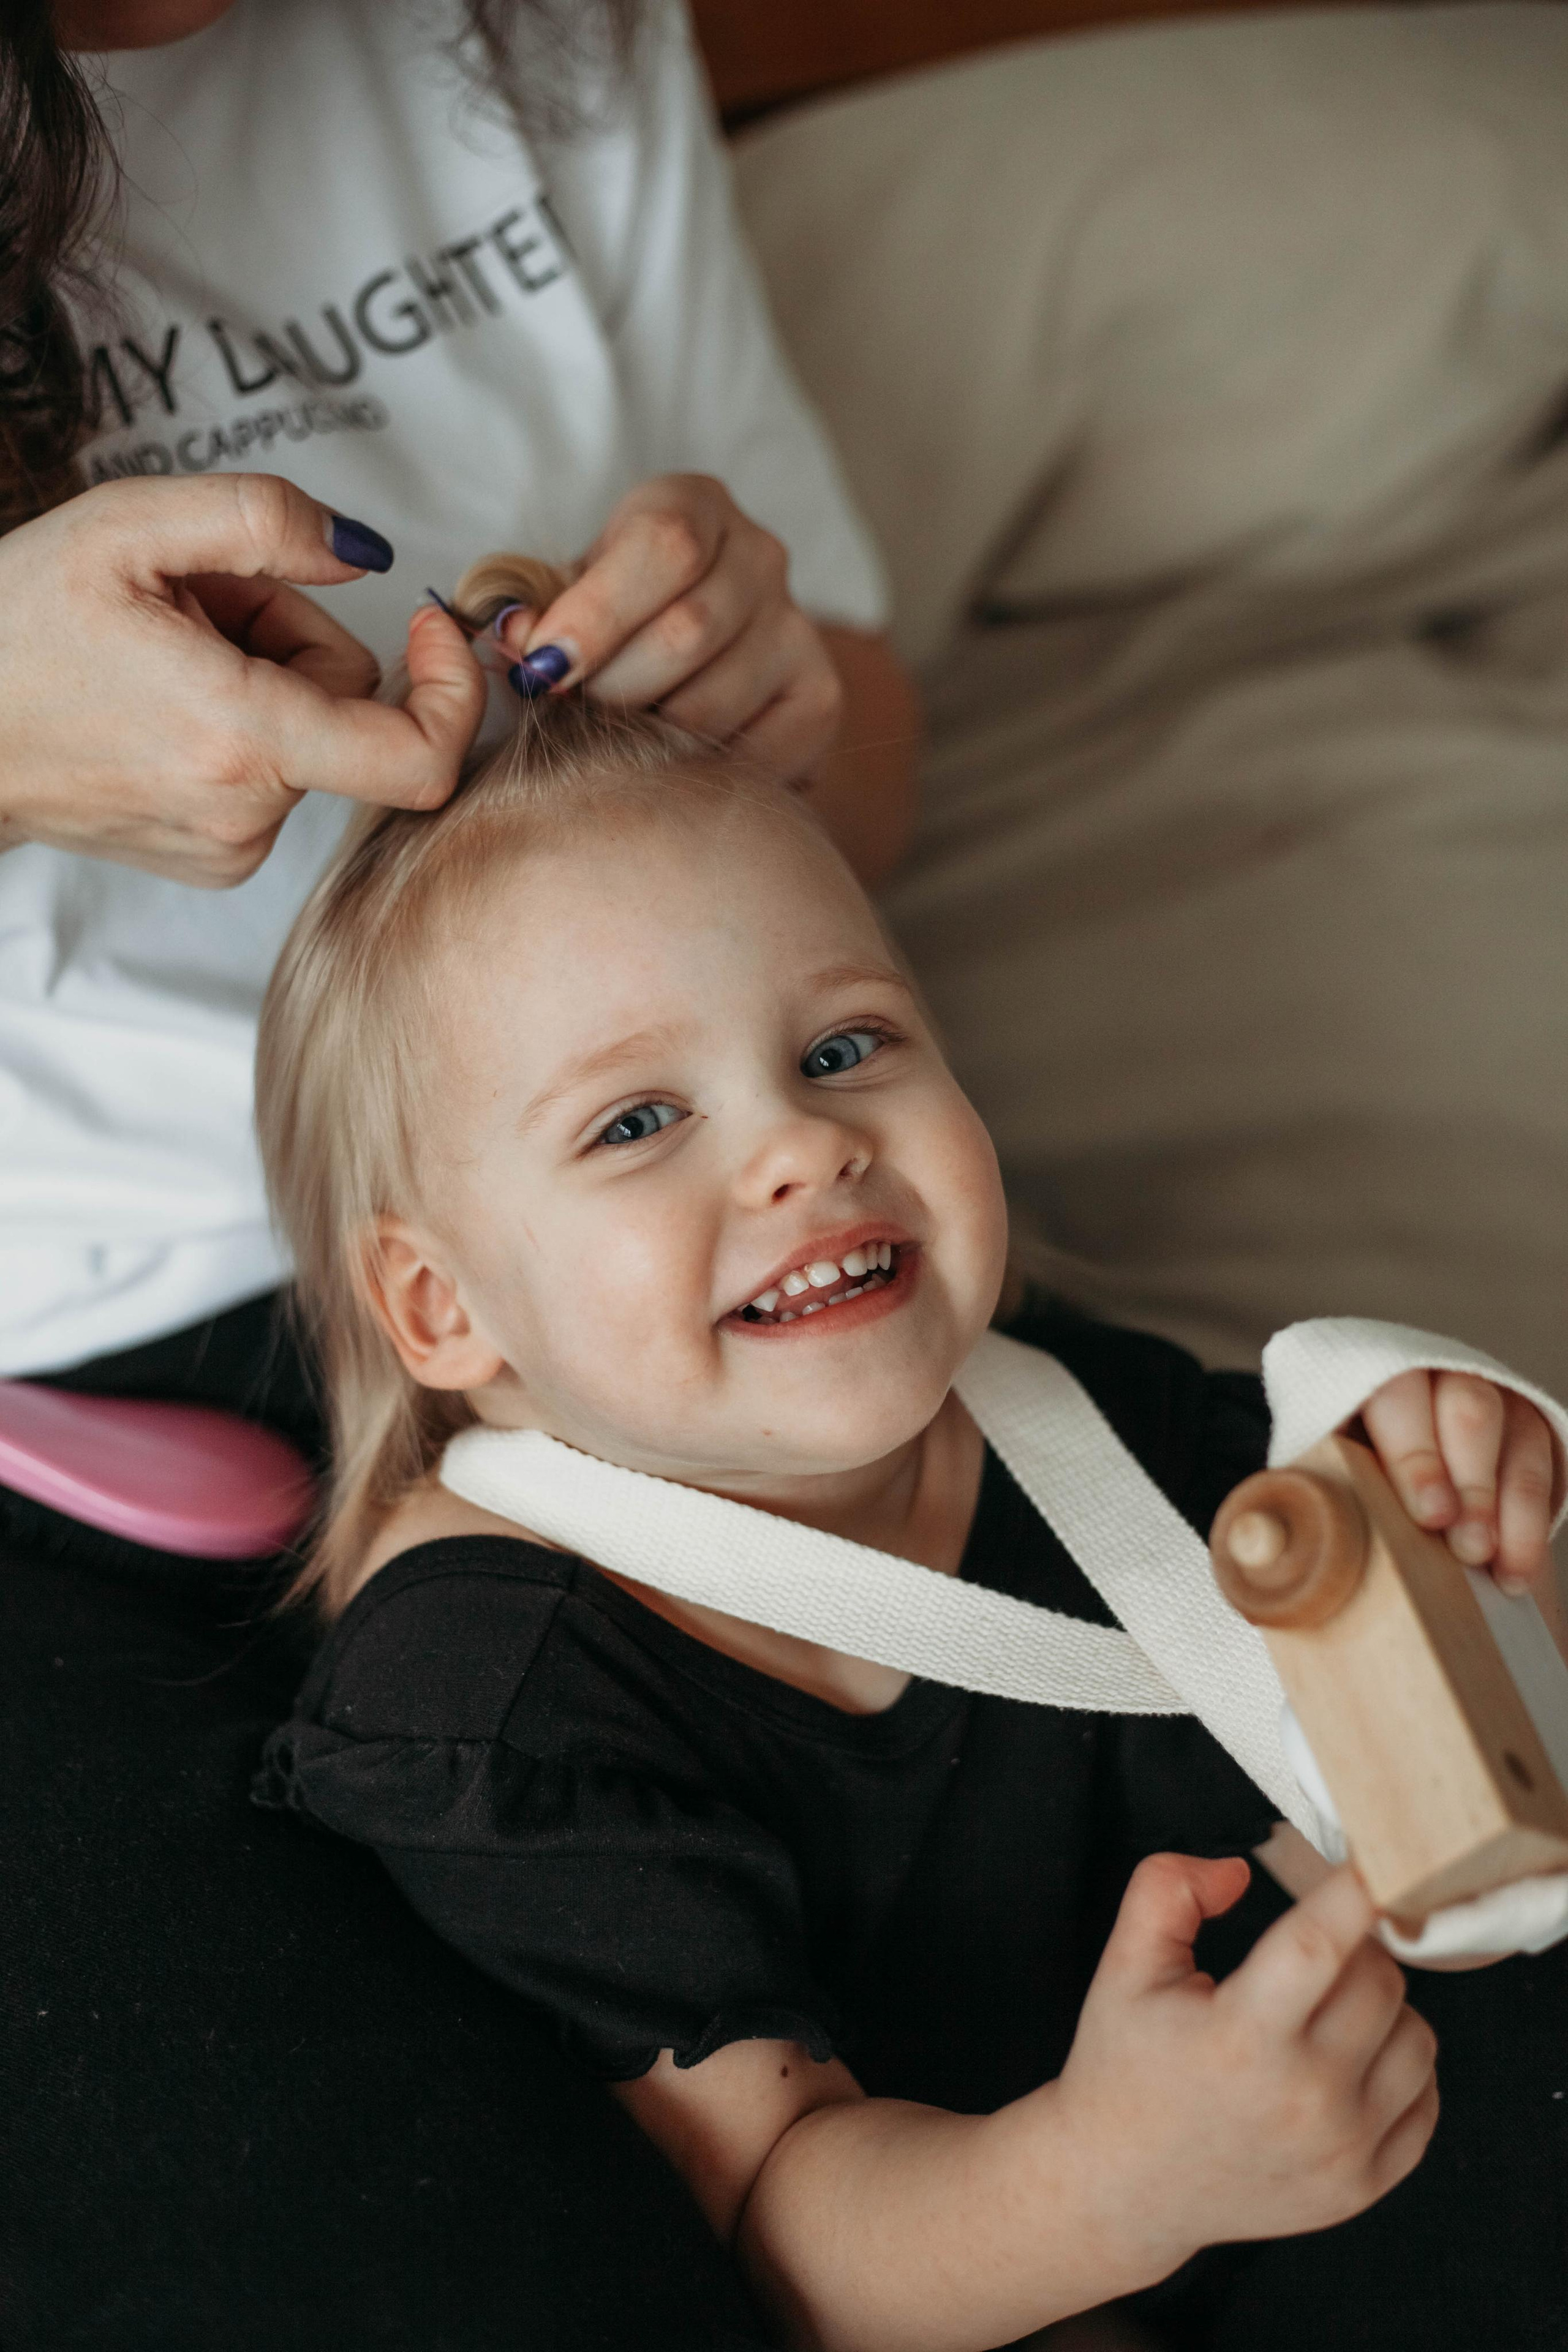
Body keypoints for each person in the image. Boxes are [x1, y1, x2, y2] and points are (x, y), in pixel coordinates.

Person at [252, 553, 1568, 2352]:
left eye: (846, 1045)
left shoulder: (1075, 1420)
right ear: (440, 1308)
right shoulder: (499, 1704)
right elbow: (786, 2228)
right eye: (639, 1121)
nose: (802, 1148)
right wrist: (1114, 2185)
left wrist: (1445, 1487)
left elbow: (1409, 1675)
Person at [0, 1, 911, 2337]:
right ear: (422, 1306)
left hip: (654, 1297)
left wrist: (770, 702)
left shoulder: (538, 34)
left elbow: (866, 795)